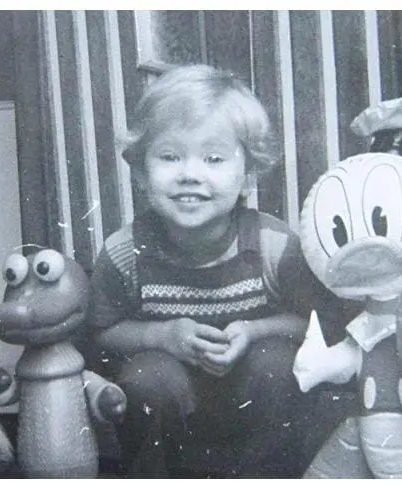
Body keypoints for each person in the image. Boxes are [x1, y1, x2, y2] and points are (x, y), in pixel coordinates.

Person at [84, 64, 337, 476]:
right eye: (169, 156)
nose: (190, 174)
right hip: (166, 407)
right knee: (150, 378)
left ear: (248, 177)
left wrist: (254, 331)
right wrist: (161, 335)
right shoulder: (125, 252)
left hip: (256, 403)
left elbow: (314, 324)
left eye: (214, 158)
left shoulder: (274, 245)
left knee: (276, 364)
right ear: (142, 175)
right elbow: (100, 335)